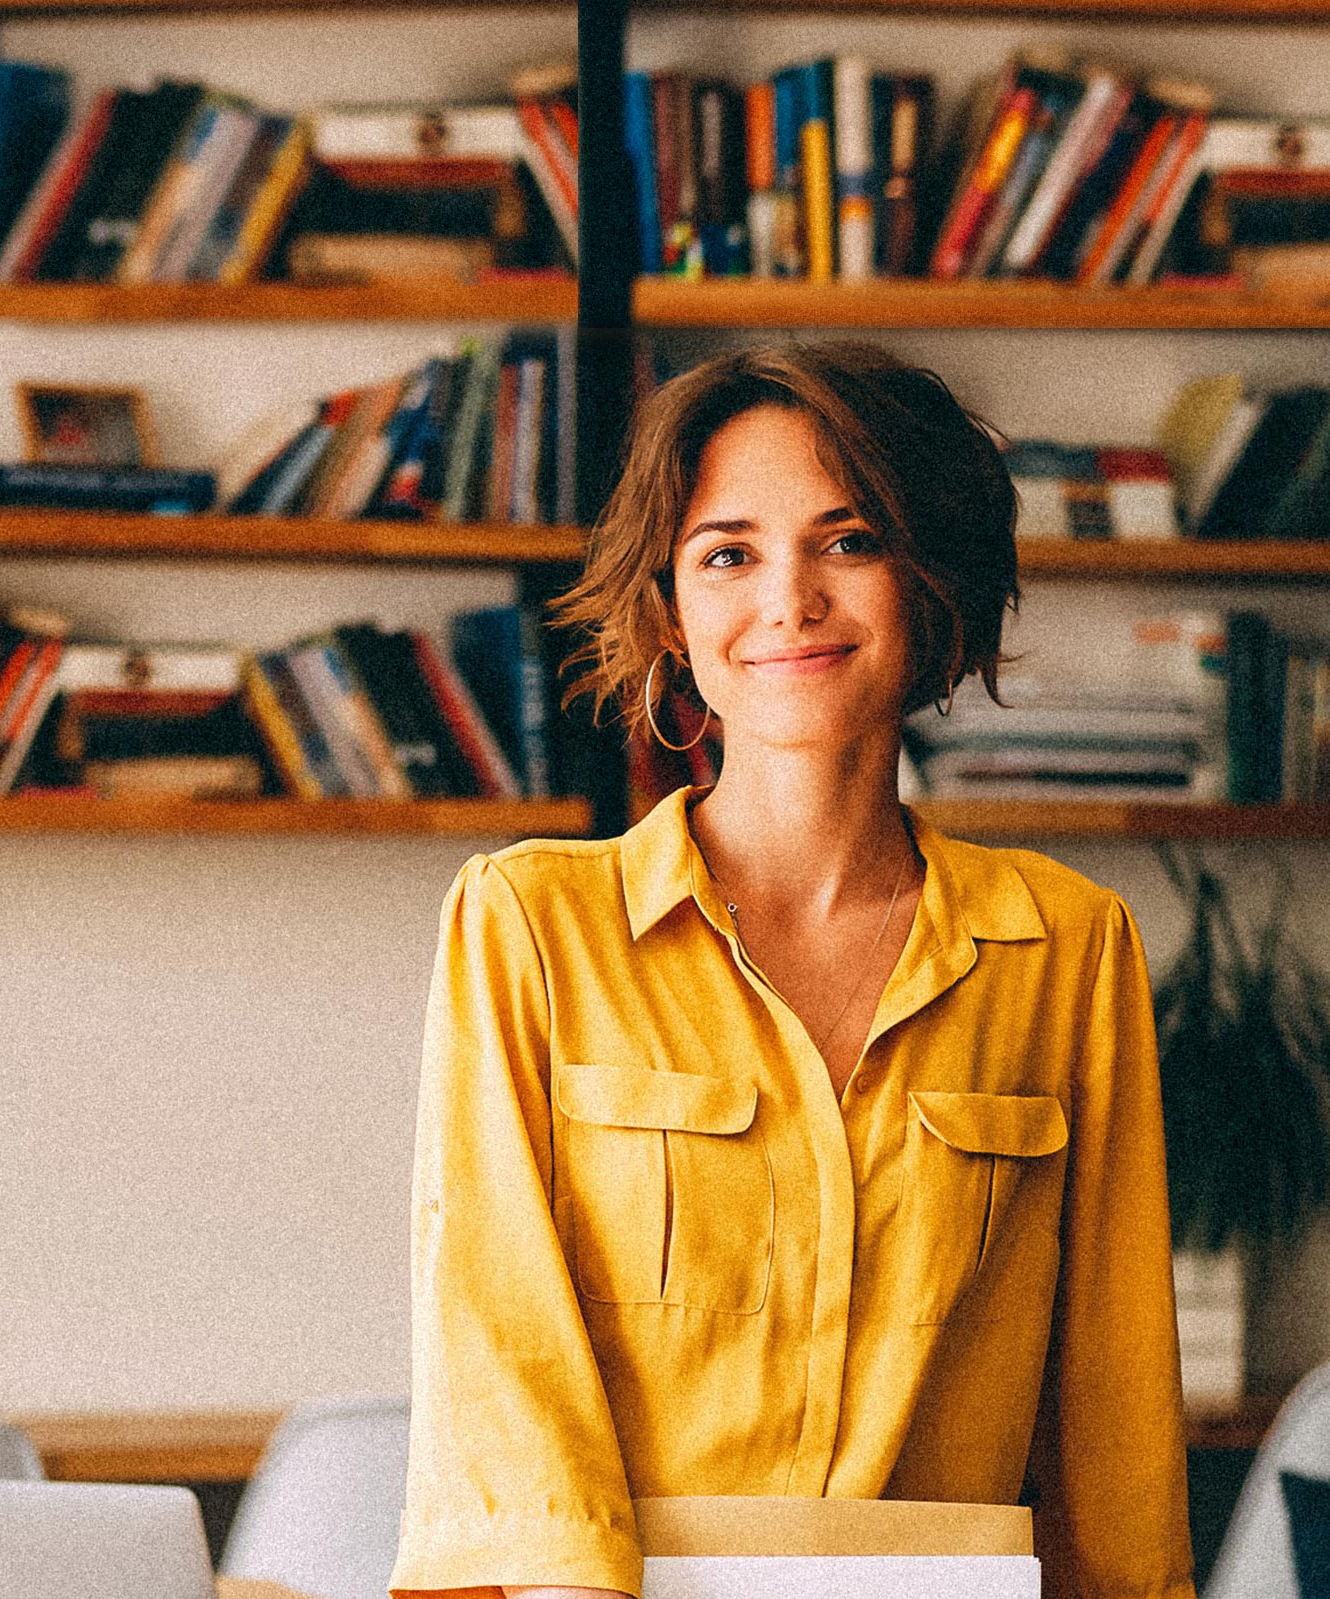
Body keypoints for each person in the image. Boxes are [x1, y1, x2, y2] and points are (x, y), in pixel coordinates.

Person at [389, 341, 1194, 1599]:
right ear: (670, 611)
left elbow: (1113, 1411)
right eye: (729, 553)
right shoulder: (531, 926)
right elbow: (500, 1361)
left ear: (937, 583)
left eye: (851, 540)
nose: (791, 600)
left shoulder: (1069, 947)